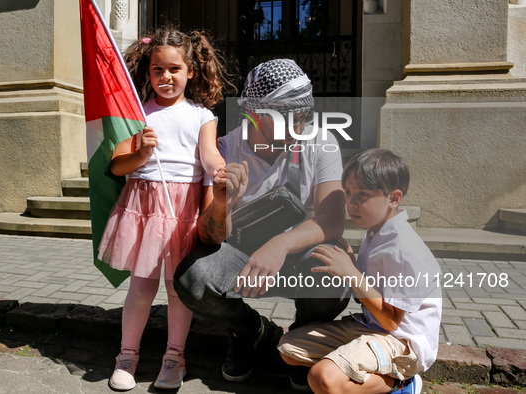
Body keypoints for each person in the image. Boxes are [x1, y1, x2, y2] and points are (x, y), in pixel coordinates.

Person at [174, 58, 350, 387]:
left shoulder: (320, 142)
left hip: (299, 258)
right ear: (255, 115)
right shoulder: (224, 150)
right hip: (243, 262)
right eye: (288, 119)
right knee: (192, 279)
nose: (299, 128)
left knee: (337, 276)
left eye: (304, 117)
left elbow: (332, 218)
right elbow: (208, 236)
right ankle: (248, 330)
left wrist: (280, 244)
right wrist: (224, 201)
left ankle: (301, 339)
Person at [97, 28, 232, 391]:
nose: (166, 77)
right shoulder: (136, 113)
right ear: (148, 71)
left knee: (177, 289)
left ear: (190, 71)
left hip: (181, 208)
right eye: (158, 70)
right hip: (142, 204)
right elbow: (117, 165)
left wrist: (220, 169)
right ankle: (127, 354)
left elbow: (208, 155)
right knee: (141, 286)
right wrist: (141, 153)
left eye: (174, 69)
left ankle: (174, 357)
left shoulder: (202, 115)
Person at [277, 149, 442, 394]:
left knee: (322, 378)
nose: (351, 203)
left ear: (394, 198)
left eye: (363, 195)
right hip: (371, 326)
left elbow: (390, 319)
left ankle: (403, 382)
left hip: (402, 341)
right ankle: (358, 368)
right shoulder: (376, 233)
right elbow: (366, 296)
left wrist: (351, 274)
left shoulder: (404, 249)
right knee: (289, 348)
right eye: (348, 193)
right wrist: (352, 264)